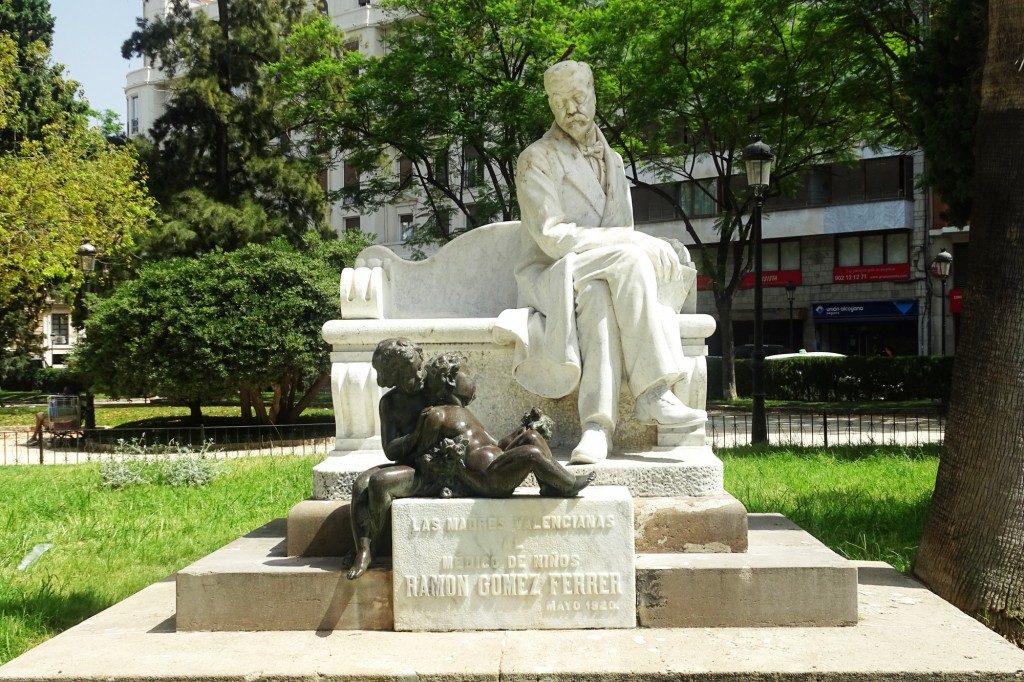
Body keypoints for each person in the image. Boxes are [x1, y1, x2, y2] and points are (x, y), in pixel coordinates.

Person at [510, 60, 706, 464]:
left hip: (599, 275)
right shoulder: (536, 158)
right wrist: (633, 242)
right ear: (549, 105)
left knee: (600, 295)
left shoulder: (613, 161)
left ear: (594, 94)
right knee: (629, 258)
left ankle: (598, 427)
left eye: (578, 97)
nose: (571, 109)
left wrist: (629, 242)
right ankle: (653, 392)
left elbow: (620, 228)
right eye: (560, 101)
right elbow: (551, 236)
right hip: (552, 272)